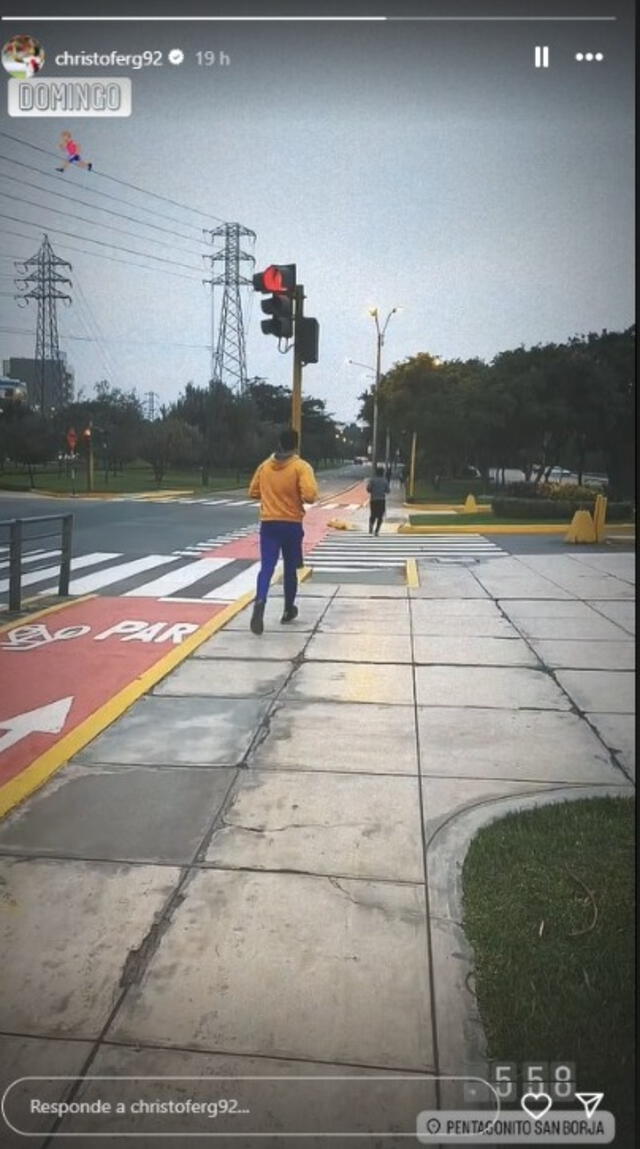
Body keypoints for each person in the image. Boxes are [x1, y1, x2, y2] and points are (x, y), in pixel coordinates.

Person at [248, 427, 318, 635]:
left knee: (267, 567)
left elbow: (252, 492)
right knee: (290, 568)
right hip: (291, 524)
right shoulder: (301, 467)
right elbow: (310, 495)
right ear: (296, 444)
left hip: (269, 524)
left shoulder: (264, 466)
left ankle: (260, 601)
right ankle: (288, 609)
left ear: (279, 442)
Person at [367, 463, 390, 536]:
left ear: (376, 473)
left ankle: (371, 526)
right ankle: (377, 530)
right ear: (383, 473)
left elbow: (368, 489)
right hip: (381, 500)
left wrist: (373, 491)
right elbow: (388, 491)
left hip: (373, 499)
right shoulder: (385, 481)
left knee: (373, 514)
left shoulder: (372, 480)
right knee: (380, 516)